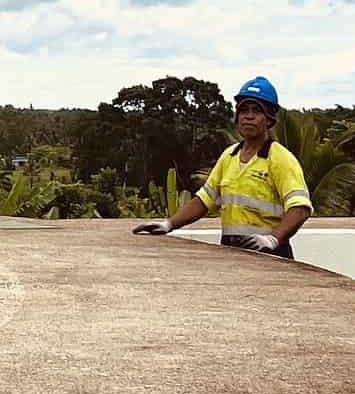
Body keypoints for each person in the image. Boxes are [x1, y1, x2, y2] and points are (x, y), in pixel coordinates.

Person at [132, 76, 312, 258]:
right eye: (243, 110)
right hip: (231, 252)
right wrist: (169, 224)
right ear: (237, 116)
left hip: (269, 254)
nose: (248, 116)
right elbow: (204, 201)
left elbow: (300, 209)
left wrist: (272, 239)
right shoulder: (229, 156)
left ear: (269, 120)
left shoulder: (280, 159)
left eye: (257, 111)